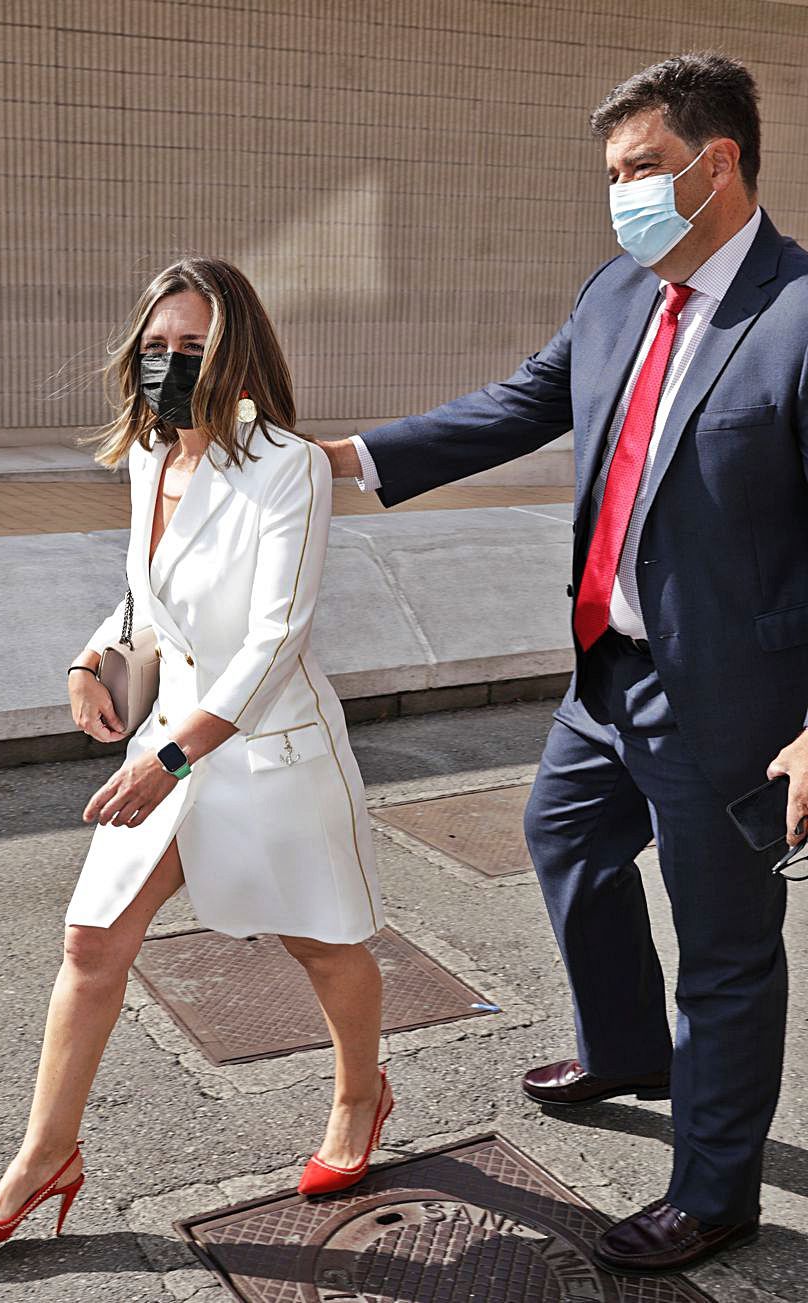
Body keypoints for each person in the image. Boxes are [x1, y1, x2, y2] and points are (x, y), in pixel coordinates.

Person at [318, 52, 808, 1276]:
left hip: (736, 701)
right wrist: (337, 460)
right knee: (566, 838)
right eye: (610, 176)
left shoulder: (799, 316)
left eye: (640, 169)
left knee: (726, 946)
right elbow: (518, 402)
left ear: (719, 162)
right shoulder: (615, 295)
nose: (622, 196)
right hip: (609, 672)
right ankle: (628, 1047)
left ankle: (713, 1192)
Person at [0, 256, 391, 1245]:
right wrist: (95, 654)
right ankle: (43, 1158)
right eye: (155, 347)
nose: (169, 364)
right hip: (170, 736)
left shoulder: (288, 466)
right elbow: (152, 599)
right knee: (92, 940)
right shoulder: (150, 456)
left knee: (318, 942)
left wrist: (172, 756)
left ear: (237, 355)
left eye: (193, 347)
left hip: (261, 748)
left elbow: (275, 636)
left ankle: (361, 1096)